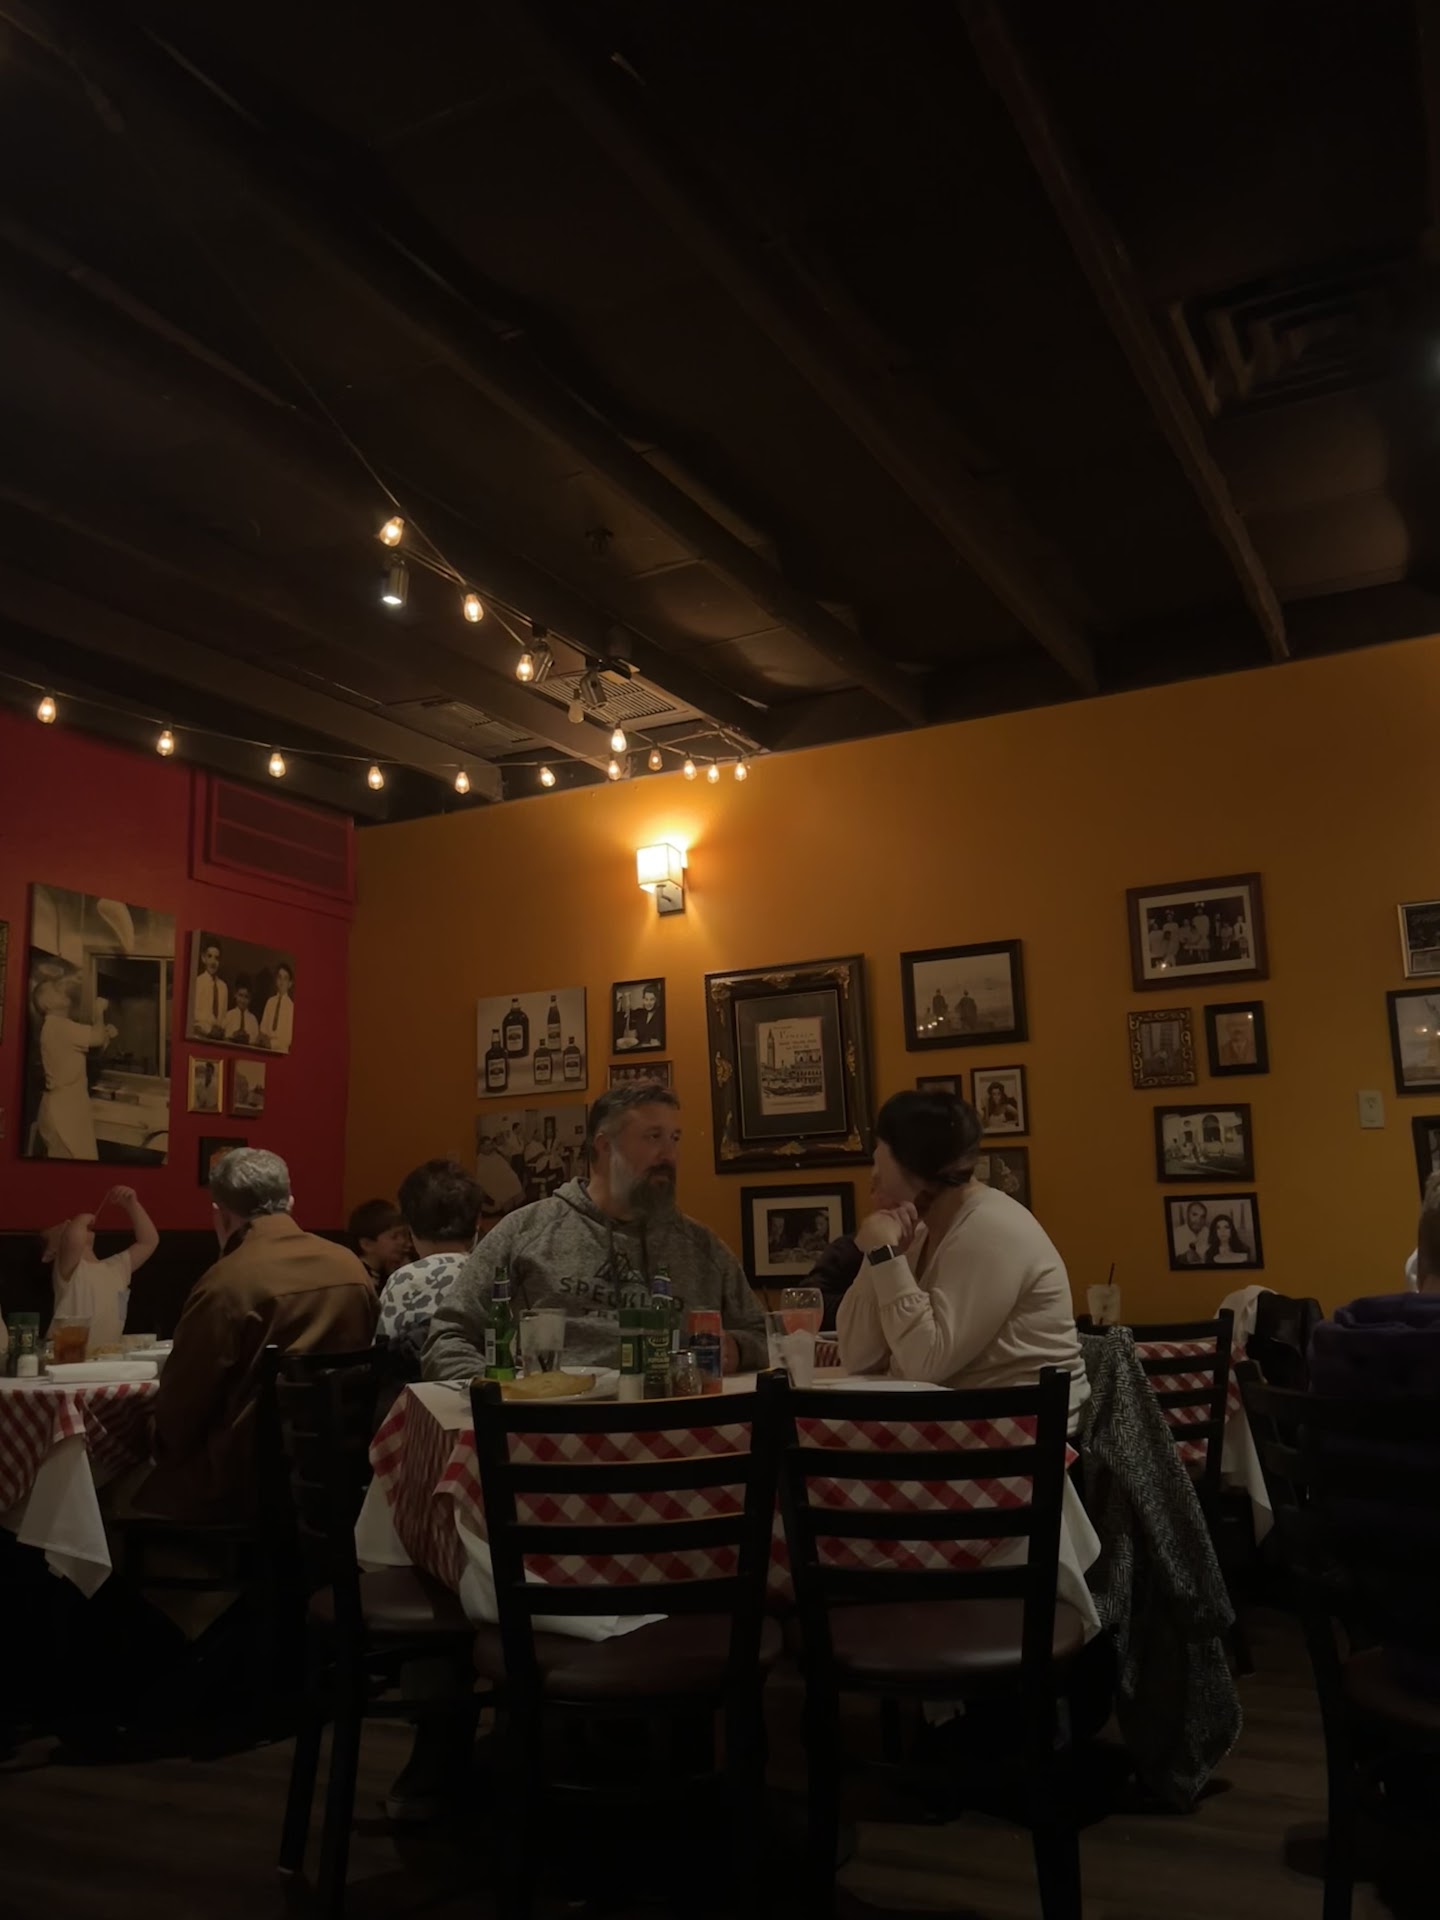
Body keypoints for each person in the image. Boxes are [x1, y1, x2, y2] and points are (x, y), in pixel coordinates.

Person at [425, 1082, 766, 1379]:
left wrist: (737, 1349)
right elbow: (448, 1337)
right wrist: (495, 1395)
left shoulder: (702, 1248)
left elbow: (765, 1336)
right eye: (653, 1137)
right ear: (604, 1146)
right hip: (550, 1424)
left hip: (676, 1424)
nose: (670, 1154)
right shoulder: (526, 1231)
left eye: (674, 1138)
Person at [139, 1149, 376, 1522]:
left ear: (221, 1214)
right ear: (290, 1202)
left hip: (241, 1482)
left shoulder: (226, 1283)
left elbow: (180, 1410)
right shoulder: (352, 1268)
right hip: (343, 1469)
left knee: (124, 1480)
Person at [836, 1090, 1086, 1411]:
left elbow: (925, 1363)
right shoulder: (919, 1230)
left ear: (915, 1164)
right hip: (960, 1422)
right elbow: (857, 1356)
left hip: (1025, 1430)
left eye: (879, 1155)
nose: (872, 1175)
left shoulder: (991, 1228)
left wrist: (884, 1256)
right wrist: (879, 1254)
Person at [378, 1160, 483, 1369]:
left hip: (423, 1387)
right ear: (477, 1221)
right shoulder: (494, 1273)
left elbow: (382, 1355)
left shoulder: (405, 1280)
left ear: (410, 1225)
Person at [43, 1186, 159, 1353]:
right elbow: (73, 1239)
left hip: (108, 1356)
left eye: (71, 1223)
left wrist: (132, 1206)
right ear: (51, 1253)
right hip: (69, 1355)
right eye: (64, 1226)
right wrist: (80, 1220)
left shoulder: (116, 1268)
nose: (69, 1223)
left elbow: (149, 1241)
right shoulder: (70, 1271)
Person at [32, 967, 117, 1160]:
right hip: (65, 1108)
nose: (62, 990)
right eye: (55, 989)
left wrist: (105, 1036)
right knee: (76, 1163)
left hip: (64, 1104)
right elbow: (95, 1038)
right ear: (48, 1003)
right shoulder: (60, 1026)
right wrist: (99, 1011)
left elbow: (91, 1049)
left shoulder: (56, 1026)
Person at [348, 1199, 412, 1289]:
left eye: (405, 1235)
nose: (406, 1243)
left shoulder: (384, 1274)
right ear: (367, 1244)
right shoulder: (357, 1280)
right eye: (394, 1237)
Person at [474, 1131, 525, 1220]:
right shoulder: (481, 1159)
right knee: (506, 1196)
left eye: (490, 1144)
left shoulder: (496, 1155)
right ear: (481, 1147)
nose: (489, 1147)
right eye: (487, 1145)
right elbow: (484, 1178)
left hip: (509, 1181)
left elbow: (506, 1165)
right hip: (496, 1185)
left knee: (516, 1192)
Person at [189, 941, 228, 1040]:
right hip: (199, 1037)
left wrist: (221, 1029)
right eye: (209, 956)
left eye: (217, 958)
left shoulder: (223, 987)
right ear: (203, 958)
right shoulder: (197, 983)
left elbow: (223, 1016)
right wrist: (209, 1030)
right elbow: (193, 1016)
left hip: (217, 1039)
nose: (213, 962)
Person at [257, 963, 295, 1053]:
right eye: (279, 977)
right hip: (265, 1049)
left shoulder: (291, 1007)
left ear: (290, 983)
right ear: (276, 980)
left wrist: (271, 1044)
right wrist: (264, 1039)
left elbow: (288, 1038)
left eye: (285, 978)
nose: (282, 981)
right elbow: (263, 1028)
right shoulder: (270, 1002)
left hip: (281, 1051)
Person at [222, 981, 260, 1045]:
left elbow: (255, 1040)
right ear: (235, 995)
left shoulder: (253, 1020)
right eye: (240, 995)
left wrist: (247, 1039)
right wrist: (233, 1036)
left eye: (246, 997)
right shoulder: (229, 1015)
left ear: (250, 999)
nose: (242, 1000)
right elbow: (223, 1036)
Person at [633, 984, 664, 1050]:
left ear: (657, 1000)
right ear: (643, 999)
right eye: (646, 999)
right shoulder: (641, 1013)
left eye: (652, 999)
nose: (648, 1003)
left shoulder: (660, 1015)